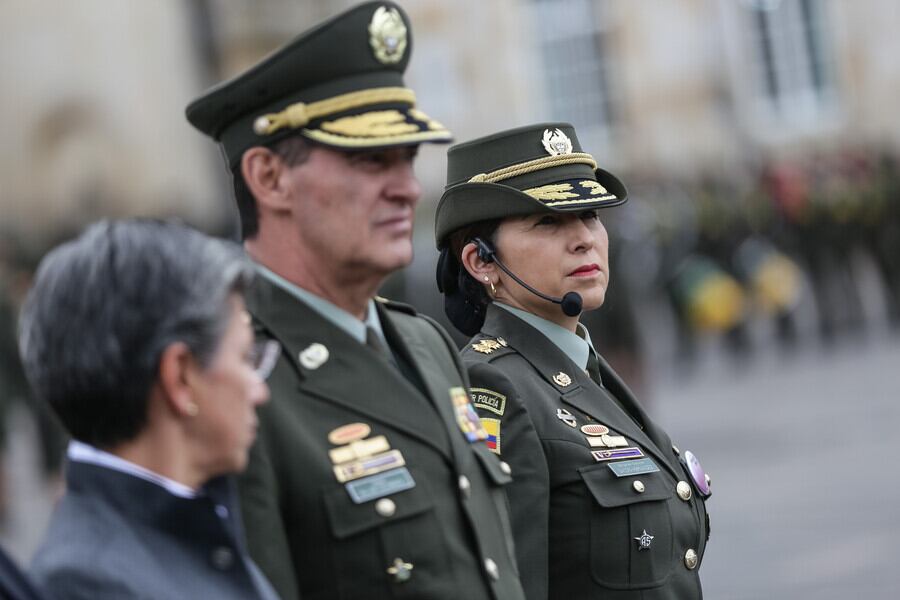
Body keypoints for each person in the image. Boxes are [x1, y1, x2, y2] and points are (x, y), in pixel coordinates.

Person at [185, 3, 526, 600]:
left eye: (406, 159)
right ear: (269, 177)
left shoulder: (423, 342)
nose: (407, 187)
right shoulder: (229, 381)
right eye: (370, 160)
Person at [435, 123, 711, 599]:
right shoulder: (495, 387)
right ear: (481, 262)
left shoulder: (578, 365)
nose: (585, 239)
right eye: (547, 222)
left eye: (589, 215)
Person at [18, 220, 279, 600]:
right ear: (180, 378)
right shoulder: (92, 583)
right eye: (245, 357)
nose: (259, 391)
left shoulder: (188, 524)